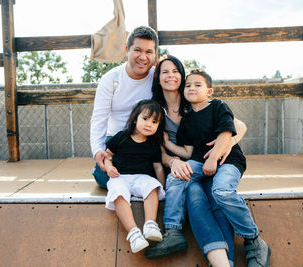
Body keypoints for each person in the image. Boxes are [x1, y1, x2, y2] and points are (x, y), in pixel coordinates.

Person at [145, 56, 246, 266]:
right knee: (195, 194)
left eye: (175, 71)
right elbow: (156, 151)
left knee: (216, 197)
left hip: (209, 162)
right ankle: (178, 236)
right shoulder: (154, 110)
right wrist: (173, 162)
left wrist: (222, 148)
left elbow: (239, 126)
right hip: (187, 165)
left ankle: (227, 260)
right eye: (165, 71)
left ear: (182, 76)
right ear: (158, 77)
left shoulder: (195, 101)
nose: (171, 75)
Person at [164, 69, 271, 267]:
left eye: (198, 85)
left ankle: (253, 238)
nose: (192, 88)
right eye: (188, 85)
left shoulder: (218, 106)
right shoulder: (187, 119)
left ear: (209, 91)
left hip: (228, 160)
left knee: (221, 191)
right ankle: (172, 230)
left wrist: (213, 157)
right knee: (176, 177)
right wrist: (170, 147)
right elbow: (187, 152)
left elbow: (226, 134)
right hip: (199, 161)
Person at [90, 25, 158, 189]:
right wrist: (98, 150)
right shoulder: (111, 79)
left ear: (155, 54)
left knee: (165, 174)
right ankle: (136, 184)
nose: (143, 57)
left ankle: (134, 183)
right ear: (127, 49)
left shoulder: (158, 77)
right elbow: (99, 118)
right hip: (117, 141)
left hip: (148, 140)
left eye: (149, 52)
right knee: (102, 176)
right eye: (137, 50)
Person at [104, 99, 166, 253]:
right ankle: (133, 234)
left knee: (152, 186)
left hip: (141, 178)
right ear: (134, 119)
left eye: (154, 121)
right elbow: (107, 156)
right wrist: (109, 167)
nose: (149, 124)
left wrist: (162, 187)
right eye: (145, 119)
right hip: (120, 177)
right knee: (118, 194)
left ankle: (150, 224)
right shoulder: (121, 137)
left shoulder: (153, 144)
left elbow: (158, 167)